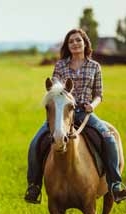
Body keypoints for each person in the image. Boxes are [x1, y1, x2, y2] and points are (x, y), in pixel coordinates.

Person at [24, 28, 126, 204]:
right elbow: (54, 91)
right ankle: (34, 186)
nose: (75, 44)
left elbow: (99, 94)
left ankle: (115, 184)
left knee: (109, 139)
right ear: (67, 45)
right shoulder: (61, 65)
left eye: (78, 40)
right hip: (62, 112)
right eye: (71, 41)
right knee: (35, 143)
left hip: (85, 113)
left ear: (85, 43)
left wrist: (91, 106)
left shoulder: (95, 66)